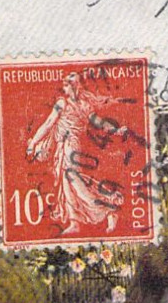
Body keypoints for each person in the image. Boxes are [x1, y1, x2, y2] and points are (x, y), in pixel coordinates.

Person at [26, 72, 123, 235]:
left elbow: (50, 123)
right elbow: (98, 123)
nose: (65, 87)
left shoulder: (67, 104)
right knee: (68, 182)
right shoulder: (74, 104)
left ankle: (107, 207)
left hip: (70, 146)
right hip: (65, 146)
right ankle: (75, 222)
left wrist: (34, 143)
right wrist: (116, 130)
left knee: (73, 181)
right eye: (65, 84)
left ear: (75, 86)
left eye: (67, 84)